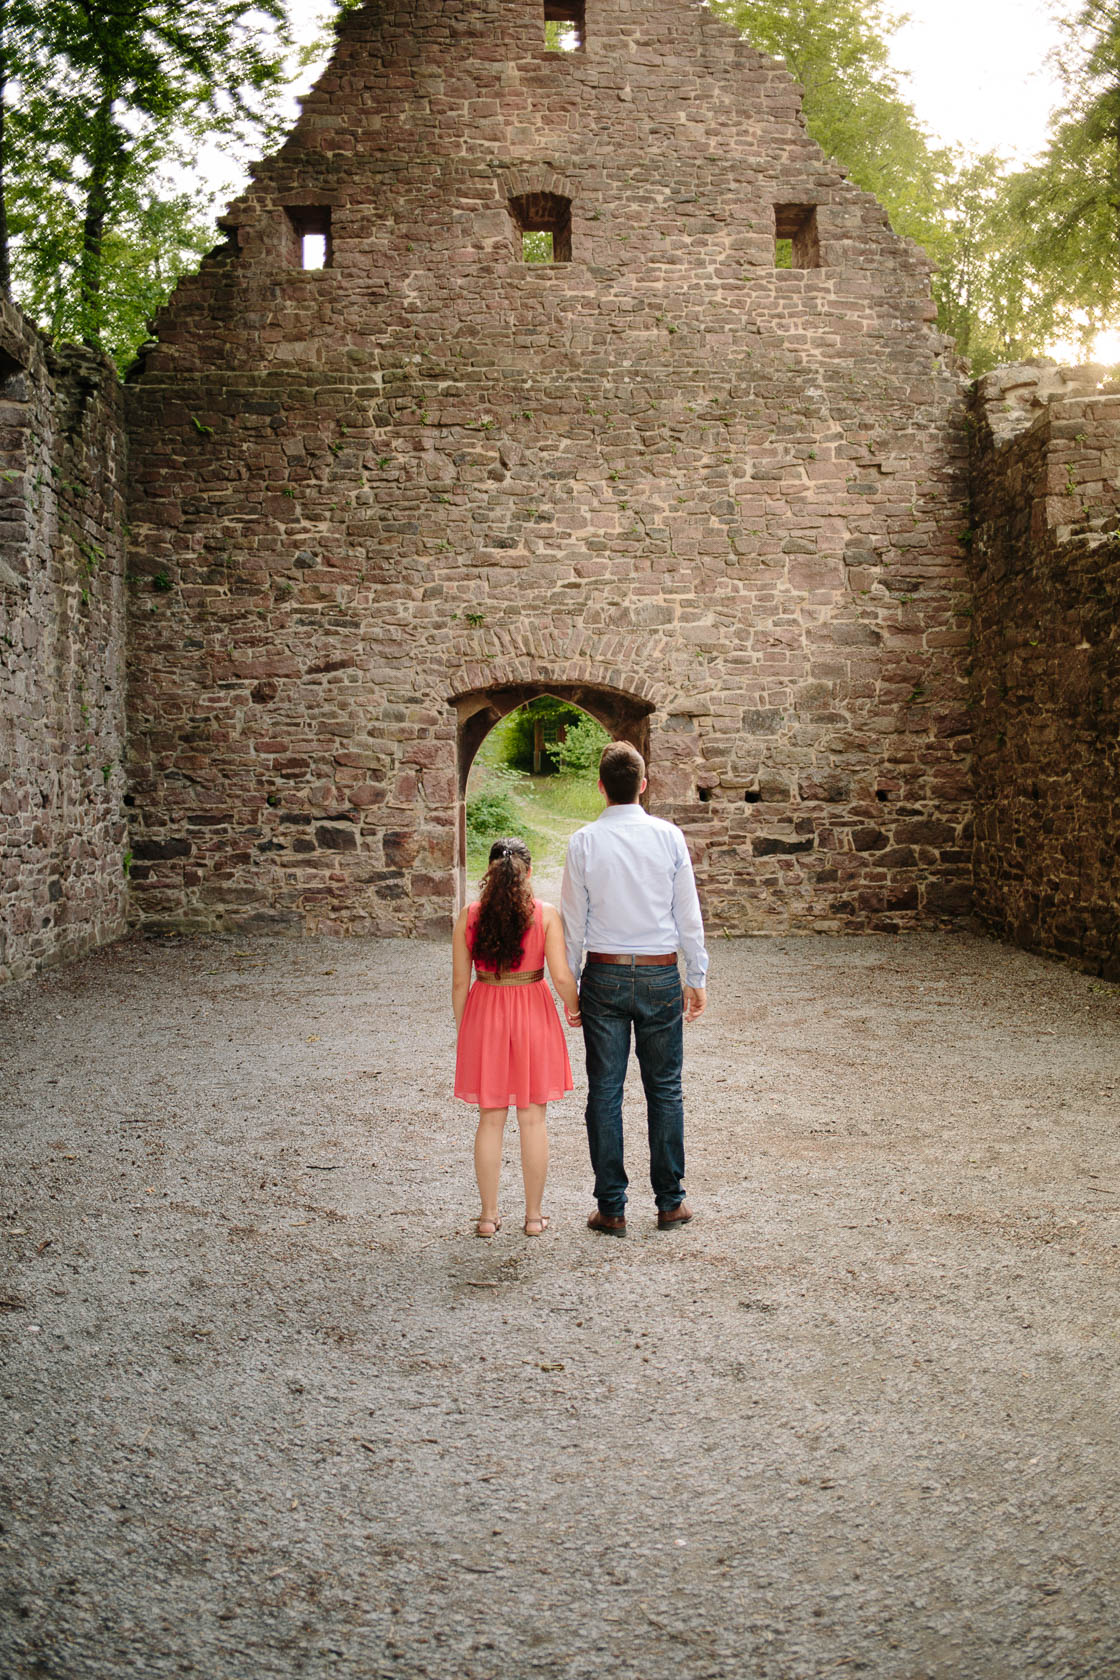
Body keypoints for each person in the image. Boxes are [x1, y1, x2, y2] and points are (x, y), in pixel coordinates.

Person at [561, 742, 708, 1236]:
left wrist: (571, 987)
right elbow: (688, 915)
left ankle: (612, 1207)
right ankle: (670, 1202)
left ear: (601, 787)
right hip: (660, 971)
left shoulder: (582, 842)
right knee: (665, 1088)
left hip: (602, 973)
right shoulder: (669, 838)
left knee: (605, 1091)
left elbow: (571, 927)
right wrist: (697, 976)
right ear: (643, 784)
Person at [453, 837, 582, 1238]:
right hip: (532, 1012)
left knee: (490, 1120)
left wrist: (466, 1031)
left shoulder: (469, 915)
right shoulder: (544, 915)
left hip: (486, 1011)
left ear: (488, 872)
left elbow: (460, 984)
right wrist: (575, 1008)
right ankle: (533, 1216)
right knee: (532, 1118)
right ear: (528, 873)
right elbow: (561, 976)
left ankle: (488, 1217)